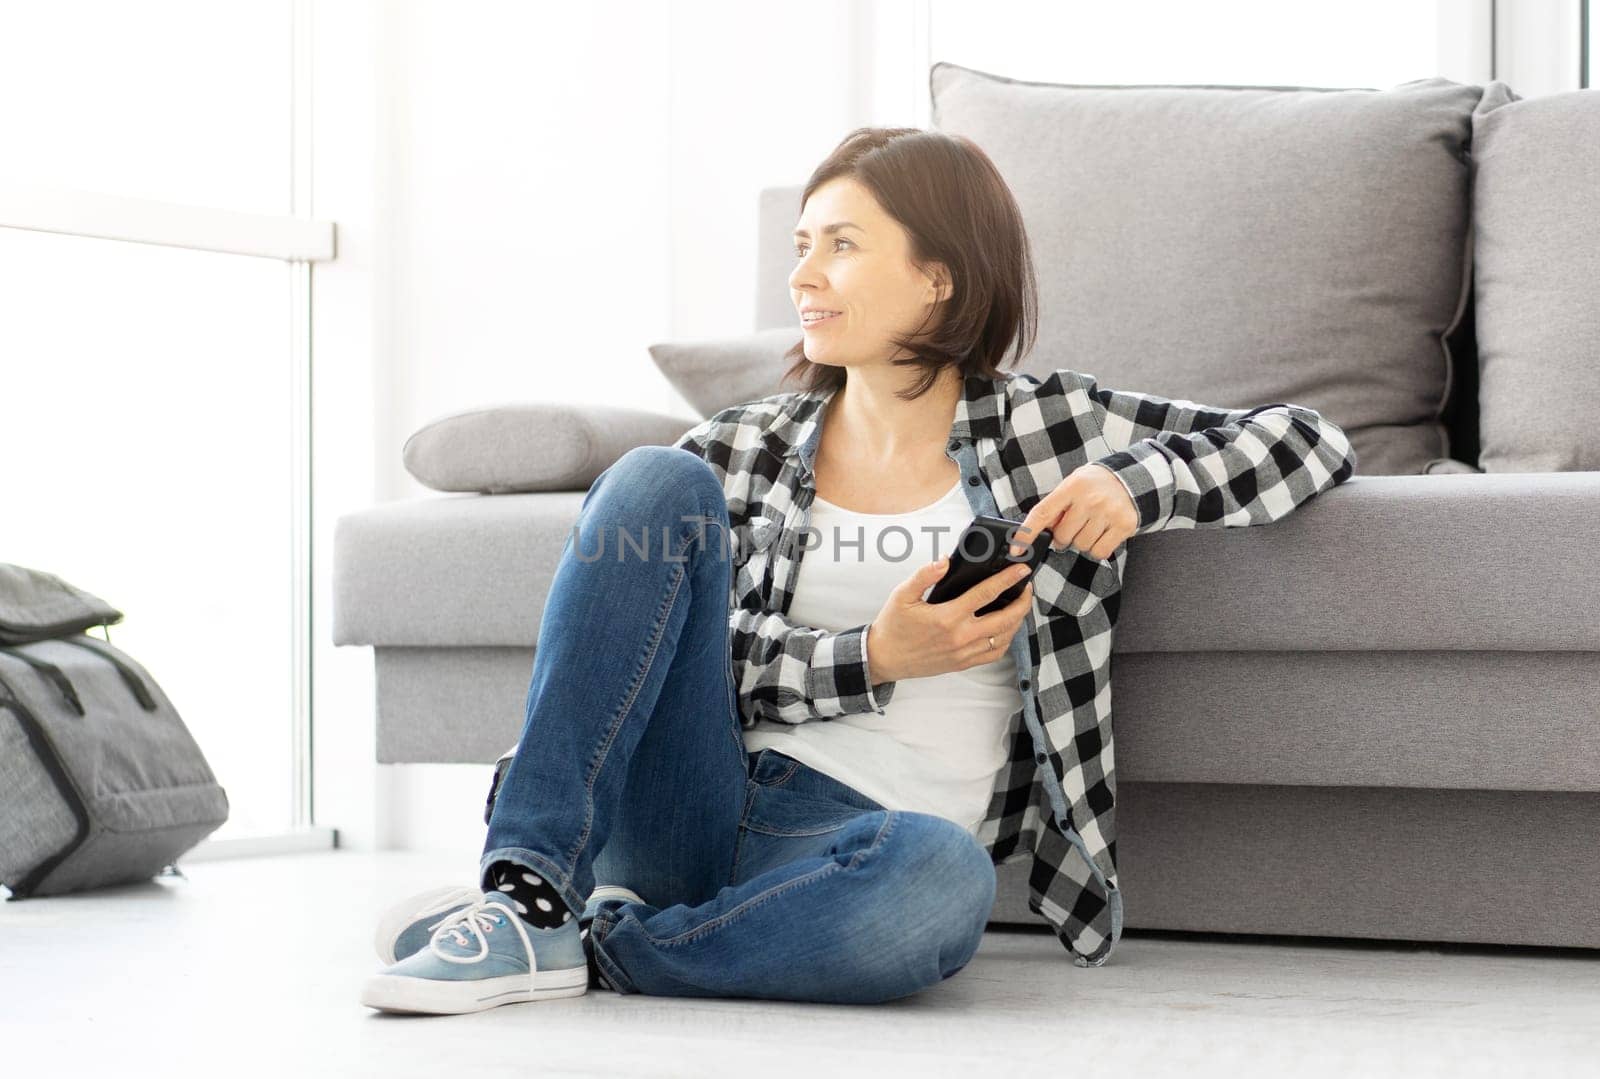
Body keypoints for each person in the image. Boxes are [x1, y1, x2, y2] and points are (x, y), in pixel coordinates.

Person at [361, 126, 1356, 1014]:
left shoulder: (1056, 426)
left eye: (840, 245)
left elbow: (1306, 440)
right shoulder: (742, 446)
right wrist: (873, 653)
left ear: (939, 277)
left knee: (941, 882)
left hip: (855, 844)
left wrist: (1141, 480)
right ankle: (527, 892)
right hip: (695, 795)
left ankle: (605, 941)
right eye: (801, 246)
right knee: (651, 479)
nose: (804, 277)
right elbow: (686, 656)